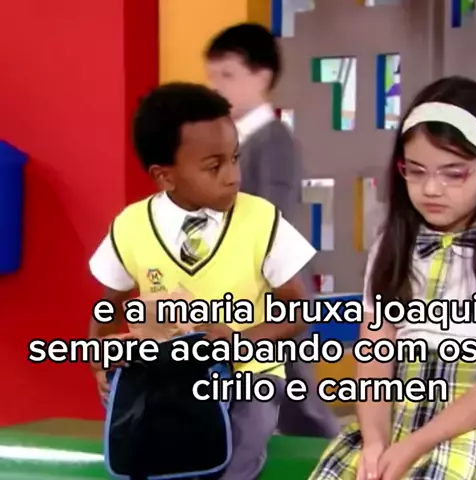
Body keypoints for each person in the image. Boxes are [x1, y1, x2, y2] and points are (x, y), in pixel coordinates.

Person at [309, 76, 476, 480]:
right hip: (402, 408)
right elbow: (375, 356)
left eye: (454, 173)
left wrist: (414, 445)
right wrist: (375, 441)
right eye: (415, 171)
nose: (431, 188)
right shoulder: (392, 242)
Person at [88, 82, 316, 480]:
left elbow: (299, 311)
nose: (233, 177)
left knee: (242, 445)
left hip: (249, 375)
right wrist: (101, 362)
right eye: (214, 166)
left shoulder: (261, 220)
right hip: (166, 377)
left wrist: (239, 340)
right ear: (165, 176)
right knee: (143, 447)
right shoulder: (130, 227)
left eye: (235, 158)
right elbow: (109, 307)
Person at [204, 22, 340, 439]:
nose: (216, 86)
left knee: (291, 386)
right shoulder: (231, 142)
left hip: (275, 281)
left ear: (261, 77)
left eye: (228, 75)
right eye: (212, 76)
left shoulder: (273, 139)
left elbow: (273, 213)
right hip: (244, 280)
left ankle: (327, 451)